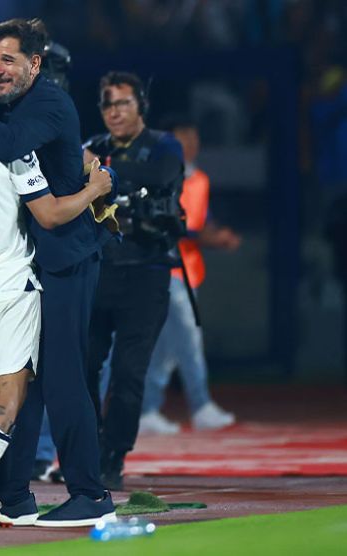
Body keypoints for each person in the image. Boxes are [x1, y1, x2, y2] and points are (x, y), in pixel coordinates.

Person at [0, 18, 116, 527]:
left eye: (8, 60)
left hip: (66, 257)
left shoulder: (49, 103)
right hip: (30, 261)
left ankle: (90, 494)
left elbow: (13, 144)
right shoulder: (11, 104)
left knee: (61, 378)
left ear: (35, 64)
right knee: (20, 378)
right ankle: (13, 494)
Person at [83, 71, 185, 491]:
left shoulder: (162, 145)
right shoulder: (95, 148)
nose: (115, 112)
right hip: (99, 272)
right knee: (83, 367)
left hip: (145, 274)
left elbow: (157, 184)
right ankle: (88, 449)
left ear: (141, 105)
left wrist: (98, 176)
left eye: (123, 103)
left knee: (128, 372)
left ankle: (113, 454)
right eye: (108, 104)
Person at [139, 115, 240, 435]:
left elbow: (201, 220)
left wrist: (219, 234)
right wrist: (211, 238)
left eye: (194, 139)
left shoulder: (200, 179)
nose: (191, 146)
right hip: (167, 267)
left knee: (166, 349)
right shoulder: (162, 176)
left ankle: (147, 409)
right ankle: (200, 404)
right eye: (184, 139)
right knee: (189, 337)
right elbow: (172, 226)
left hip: (190, 270)